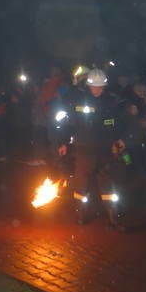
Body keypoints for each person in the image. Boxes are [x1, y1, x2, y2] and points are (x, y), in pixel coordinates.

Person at [57, 68, 128, 229]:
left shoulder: (112, 102)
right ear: (88, 86)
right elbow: (68, 124)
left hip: (105, 151)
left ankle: (112, 217)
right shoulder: (79, 101)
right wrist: (63, 143)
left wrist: (121, 139)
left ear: (105, 86)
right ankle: (81, 215)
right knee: (81, 186)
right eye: (94, 86)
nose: (97, 89)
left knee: (108, 186)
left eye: (100, 86)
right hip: (84, 150)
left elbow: (120, 123)